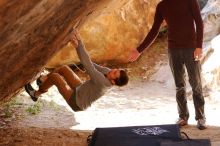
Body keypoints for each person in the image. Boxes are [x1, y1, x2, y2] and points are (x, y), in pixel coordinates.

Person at [129, 0, 206, 130]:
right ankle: (183, 116)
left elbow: (199, 23)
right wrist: (139, 50)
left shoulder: (190, 1)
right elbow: (154, 30)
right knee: (179, 85)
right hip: (173, 50)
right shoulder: (162, 6)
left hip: (191, 49)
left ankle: (201, 117)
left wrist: (199, 46)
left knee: (196, 84)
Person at [25, 30, 129, 112]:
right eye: (116, 70)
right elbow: (91, 64)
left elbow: (88, 65)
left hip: (77, 102)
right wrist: (77, 46)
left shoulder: (102, 82)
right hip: (81, 89)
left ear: (113, 81)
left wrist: (79, 43)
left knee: (55, 78)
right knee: (64, 69)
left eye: (115, 73)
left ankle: (36, 94)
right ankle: (43, 80)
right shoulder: (108, 72)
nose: (113, 70)